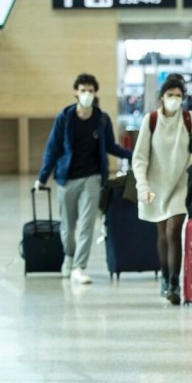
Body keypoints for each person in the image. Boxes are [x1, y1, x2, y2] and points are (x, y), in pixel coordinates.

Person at [35, 73, 132, 285]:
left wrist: (132, 155)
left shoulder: (101, 119)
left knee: (87, 224)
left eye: (90, 91)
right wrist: (42, 177)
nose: (87, 94)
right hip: (67, 178)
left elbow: (111, 146)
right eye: (83, 90)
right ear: (76, 93)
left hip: (92, 177)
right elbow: (52, 148)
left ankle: (79, 267)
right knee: (67, 227)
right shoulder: (65, 118)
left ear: (95, 93)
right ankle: (69, 256)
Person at [131, 74, 192, 305]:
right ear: (161, 97)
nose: (174, 99)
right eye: (170, 95)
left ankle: (173, 283)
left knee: (173, 230)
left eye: (178, 96)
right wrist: (142, 185)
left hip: (181, 183)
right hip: (156, 185)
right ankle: (164, 275)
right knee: (162, 234)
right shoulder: (150, 121)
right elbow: (139, 158)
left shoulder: (189, 119)